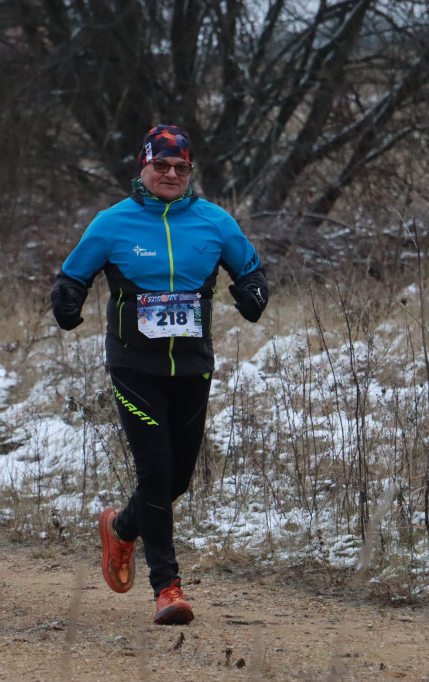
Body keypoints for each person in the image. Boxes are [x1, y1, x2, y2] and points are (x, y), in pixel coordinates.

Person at [50, 124, 268, 625]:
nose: (170, 174)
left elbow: (250, 270)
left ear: (190, 172)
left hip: (192, 365)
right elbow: (73, 274)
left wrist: (254, 291)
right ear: (142, 168)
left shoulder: (214, 221)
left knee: (176, 478)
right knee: (154, 471)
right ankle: (167, 587)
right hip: (134, 365)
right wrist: (67, 301)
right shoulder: (112, 223)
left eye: (180, 168)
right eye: (161, 166)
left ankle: (122, 530)